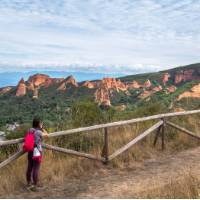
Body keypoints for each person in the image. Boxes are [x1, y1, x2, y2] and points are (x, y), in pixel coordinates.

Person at [26, 117, 48, 190]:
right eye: (40, 123)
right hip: (37, 151)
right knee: (36, 168)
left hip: (30, 150)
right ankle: (35, 184)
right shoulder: (39, 132)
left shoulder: (29, 130)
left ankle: (28, 182)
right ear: (39, 124)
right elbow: (47, 135)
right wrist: (42, 128)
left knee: (29, 167)